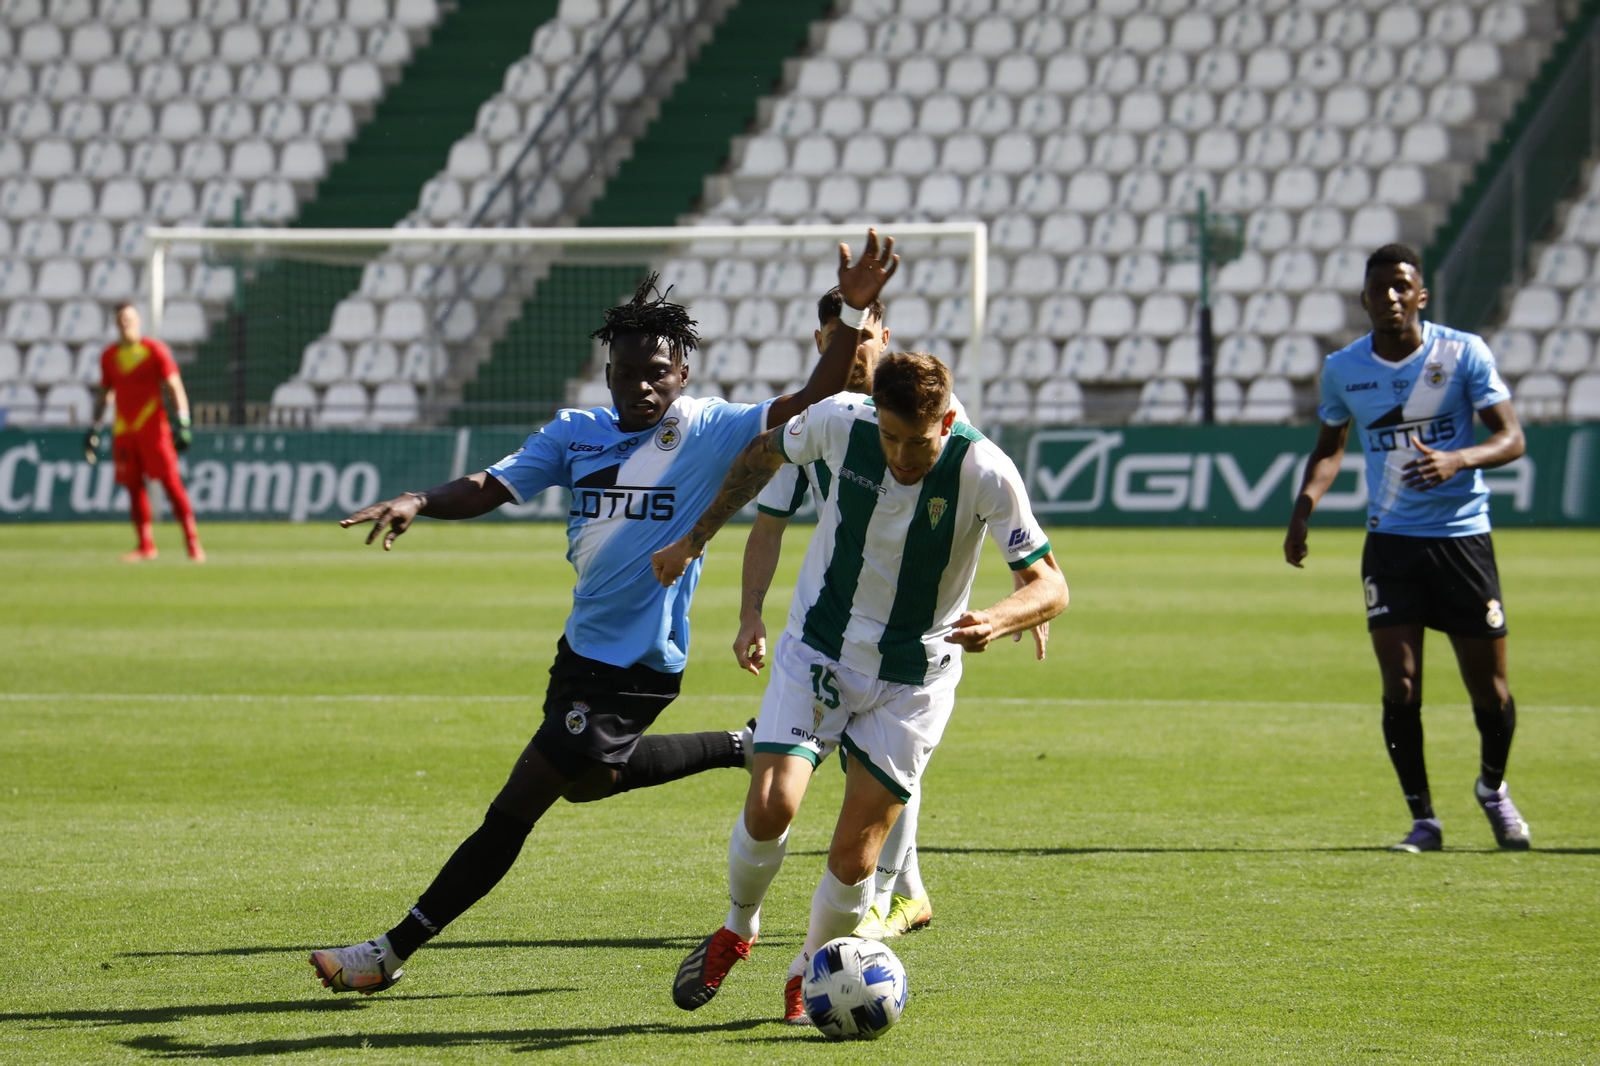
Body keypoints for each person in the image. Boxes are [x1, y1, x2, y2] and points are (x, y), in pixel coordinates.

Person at [308, 230, 900, 995]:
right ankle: (742, 744)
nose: (641, 387)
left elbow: (811, 398)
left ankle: (388, 952)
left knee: (513, 810)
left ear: (682, 374)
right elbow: (492, 485)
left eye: (657, 374)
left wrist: (850, 315)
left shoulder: (709, 428)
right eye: (626, 374)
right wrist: (422, 499)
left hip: (635, 666)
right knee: (588, 781)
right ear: (608, 373)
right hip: (580, 651)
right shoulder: (575, 434)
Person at [652, 350, 1069, 1023]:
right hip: (820, 648)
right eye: (891, 437)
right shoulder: (839, 421)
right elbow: (760, 455)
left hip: (913, 681)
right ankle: (738, 928)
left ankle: (808, 969)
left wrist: (1000, 617)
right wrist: (695, 539)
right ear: (876, 416)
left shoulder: (985, 470)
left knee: (855, 858)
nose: (902, 456)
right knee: (772, 804)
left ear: (947, 421)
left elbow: (1051, 584)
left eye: (918, 442)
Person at [1285, 243, 1530, 854]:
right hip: (1391, 545)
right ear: (1364, 299)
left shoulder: (1462, 353)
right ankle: (1424, 820)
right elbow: (1329, 449)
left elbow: (1511, 438)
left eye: (1401, 286)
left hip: (1462, 539)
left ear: (1421, 294)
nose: (1390, 297)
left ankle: (1492, 787)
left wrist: (1459, 459)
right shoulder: (1344, 368)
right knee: (1400, 683)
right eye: (1379, 288)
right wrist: (1303, 509)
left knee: (1491, 692)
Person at [85, 303, 204, 562]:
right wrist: (94, 427)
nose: (125, 323)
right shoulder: (109, 356)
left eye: (129, 318)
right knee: (133, 486)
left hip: (153, 429)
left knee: (171, 483)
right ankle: (145, 546)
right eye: (121, 319)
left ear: (139, 320)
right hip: (124, 430)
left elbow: (174, 385)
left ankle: (192, 543)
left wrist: (183, 421)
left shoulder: (154, 350)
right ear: (116, 324)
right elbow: (106, 395)